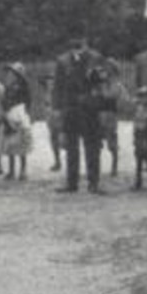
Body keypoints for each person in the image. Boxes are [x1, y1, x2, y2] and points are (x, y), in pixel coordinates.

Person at [52, 34, 110, 194]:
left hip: (91, 108)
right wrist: (57, 109)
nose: (78, 44)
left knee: (92, 147)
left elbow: (103, 84)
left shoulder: (96, 58)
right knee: (71, 147)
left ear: (86, 41)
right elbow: (58, 87)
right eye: (74, 40)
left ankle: (94, 183)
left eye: (81, 40)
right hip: (71, 108)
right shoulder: (62, 61)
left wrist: (103, 108)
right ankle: (72, 183)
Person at [0, 63, 34, 181]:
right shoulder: (7, 87)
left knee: (22, 144)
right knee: (10, 144)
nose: (11, 75)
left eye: (13, 73)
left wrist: (24, 114)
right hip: (9, 115)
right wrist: (4, 111)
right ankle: (11, 170)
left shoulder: (23, 86)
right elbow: (4, 100)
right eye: (10, 73)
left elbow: (28, 101)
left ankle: (23, 170)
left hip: (19, 115)